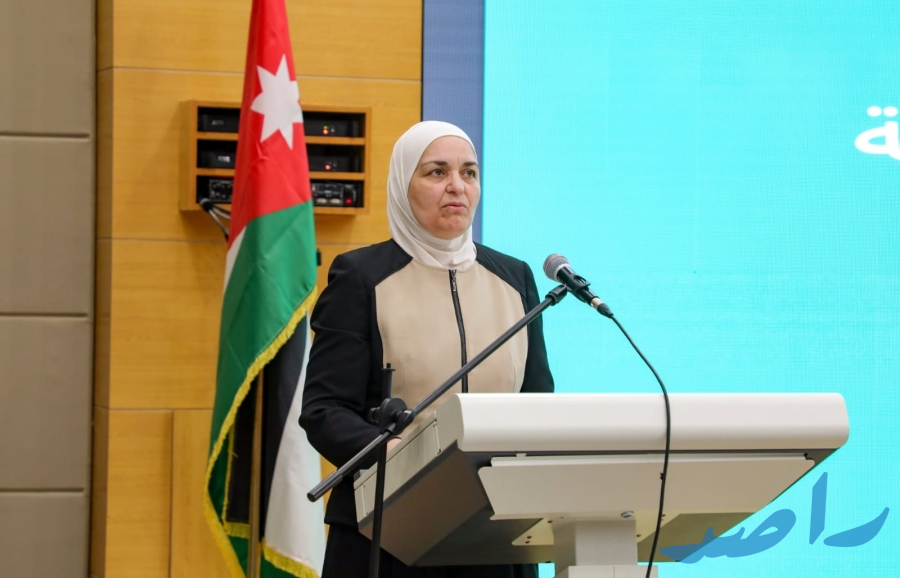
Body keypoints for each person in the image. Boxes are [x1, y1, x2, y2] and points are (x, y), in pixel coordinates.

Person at [300, 121, 554, 578]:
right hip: (385, 528)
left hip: (498, 526)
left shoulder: (513, 278)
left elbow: (537, 399)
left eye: (469, 173)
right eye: (437, 172)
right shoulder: (361, 277)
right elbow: (325, 409)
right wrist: (396, 453)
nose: (457, 186)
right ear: (403, 185)